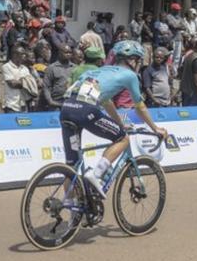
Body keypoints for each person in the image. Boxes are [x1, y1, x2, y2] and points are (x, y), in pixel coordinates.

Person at [61, 41, 167, 197]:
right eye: (137, 60)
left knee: (72, 167)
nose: (138, 64)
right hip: (86, 110)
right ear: (131, 59)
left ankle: (72, 208)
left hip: (66, 109)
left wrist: (119, 123)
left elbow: (107, 102)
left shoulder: (99, 71)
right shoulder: (130, 75)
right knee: (123, 139)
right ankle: (96, 176)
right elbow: (140, 107)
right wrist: (155, 128)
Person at [1, 45, 32, 113]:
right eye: (22, 54)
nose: (25, 56)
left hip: (23, 105)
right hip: (11, 106)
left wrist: (22, 82)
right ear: (15, 55)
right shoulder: (6, 67)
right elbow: (12, 84)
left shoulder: (25, 68)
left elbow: (31, 84)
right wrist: (27, 83)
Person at [42, 44, 74, 110]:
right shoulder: (51, 68)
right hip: (56, 103)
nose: (68, 54)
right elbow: (46, 86)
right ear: (59, 53)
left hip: (71, 103)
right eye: (66, 52)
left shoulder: (75, 68)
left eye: (70, 52)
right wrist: (50, 101)